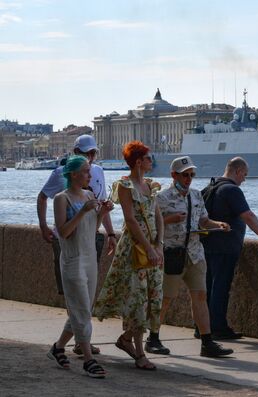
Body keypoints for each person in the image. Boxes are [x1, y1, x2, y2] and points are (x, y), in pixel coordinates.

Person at [146, 156, 234, 358]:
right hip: (171, 253)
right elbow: (151, 225)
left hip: (195, 253)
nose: (189, 179)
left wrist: (217, 224)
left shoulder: (196, 195)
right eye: (185, 175)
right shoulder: (161, 197)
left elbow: (203, 220)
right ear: (173, 175)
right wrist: (170, 219)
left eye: (192, 175)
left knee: (200, 296)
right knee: (165, 298)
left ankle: (207, 342)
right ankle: (153, 338)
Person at [37, 134, 116, 356]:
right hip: (70, 250)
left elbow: (94, 216)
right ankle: (86, 352)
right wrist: (43, 226)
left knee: (83, 305)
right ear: (75, 154)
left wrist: (109, 228)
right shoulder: (61, 185)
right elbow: (44, 199)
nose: (90, 160)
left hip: (90, 244)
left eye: (93, 154)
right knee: (78, 302)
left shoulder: (95, 178)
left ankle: (61, 346)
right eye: (85, 154)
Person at [93, 141, 164, 371]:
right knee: (137, 299)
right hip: (134, 248)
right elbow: (131, 220)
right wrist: (149, 247)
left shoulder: (151, 185)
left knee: (151, 298)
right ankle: (140, 353)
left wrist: (159, 245)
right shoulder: (125, 185)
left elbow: (158, 215)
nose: (151, 161)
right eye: (148, 158)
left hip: (152, 246)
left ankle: (126, 340)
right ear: (138, 162)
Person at [202, 157, 258, 339]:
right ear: (237, 171)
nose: (244, 180)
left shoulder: (209, 188)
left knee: (207, 288)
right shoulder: (232, 190)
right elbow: (248, 216)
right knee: (220, 288)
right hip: (225, 247)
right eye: (244, 175)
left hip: (206, 246)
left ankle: (201, 328)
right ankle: (218, 328)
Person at [48, 155, 113, 378]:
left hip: (89, 258)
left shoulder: (90, 195)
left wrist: (102, 213)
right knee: (82, 309)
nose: (90, 175)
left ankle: (57, 348)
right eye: (86, 171)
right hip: (73, 259)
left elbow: (92, 229)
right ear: (73, 174)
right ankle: (88, 359)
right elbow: (63, 233)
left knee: (82, 308)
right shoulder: (61, 198)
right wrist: (83, 211)